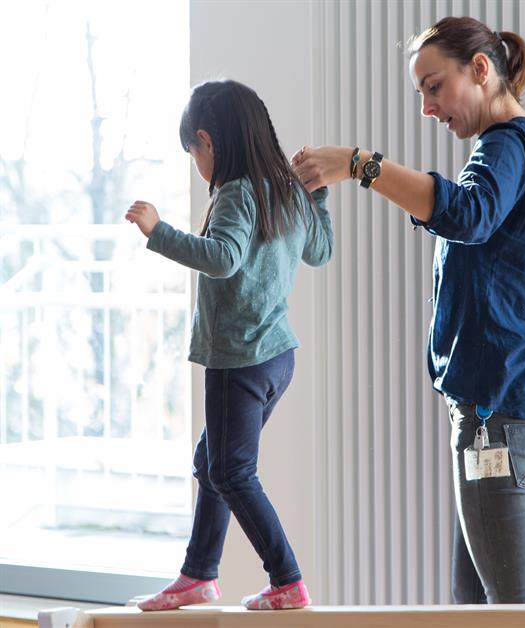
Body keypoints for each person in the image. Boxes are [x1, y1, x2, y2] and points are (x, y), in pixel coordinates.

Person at [292, 16, 525, 604]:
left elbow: (468, 213)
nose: (428, 108)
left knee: (516, 617)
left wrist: (361, 165)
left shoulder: (505, 147)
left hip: (505, 420)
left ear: (480, 70)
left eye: (434, 87)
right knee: (475, 613)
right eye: (422, 94)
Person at [125, 79, 333, 611]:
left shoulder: (237, 192)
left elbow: (222, 258)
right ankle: (198, 574)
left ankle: (287, 580)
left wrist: (158, 232)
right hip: (277, 358)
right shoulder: (284, 189)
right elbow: (321, 250)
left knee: (230, 471)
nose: (197, 161)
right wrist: (319, 197)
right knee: (212, 461)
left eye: (193, 152)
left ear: (206, 141)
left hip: (238, 358)